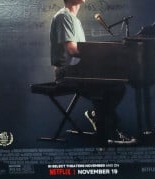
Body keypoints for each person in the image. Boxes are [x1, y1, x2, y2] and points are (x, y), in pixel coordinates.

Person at [50, 0, 135, 145]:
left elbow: (82, 52)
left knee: (117, 87)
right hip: (66, 73)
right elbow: (72, 50)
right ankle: (107, 132)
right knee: (106, 89)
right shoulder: (64, 16)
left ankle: (101, 121)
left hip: (77, 70)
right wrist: (103, 55)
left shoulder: (74, 19)